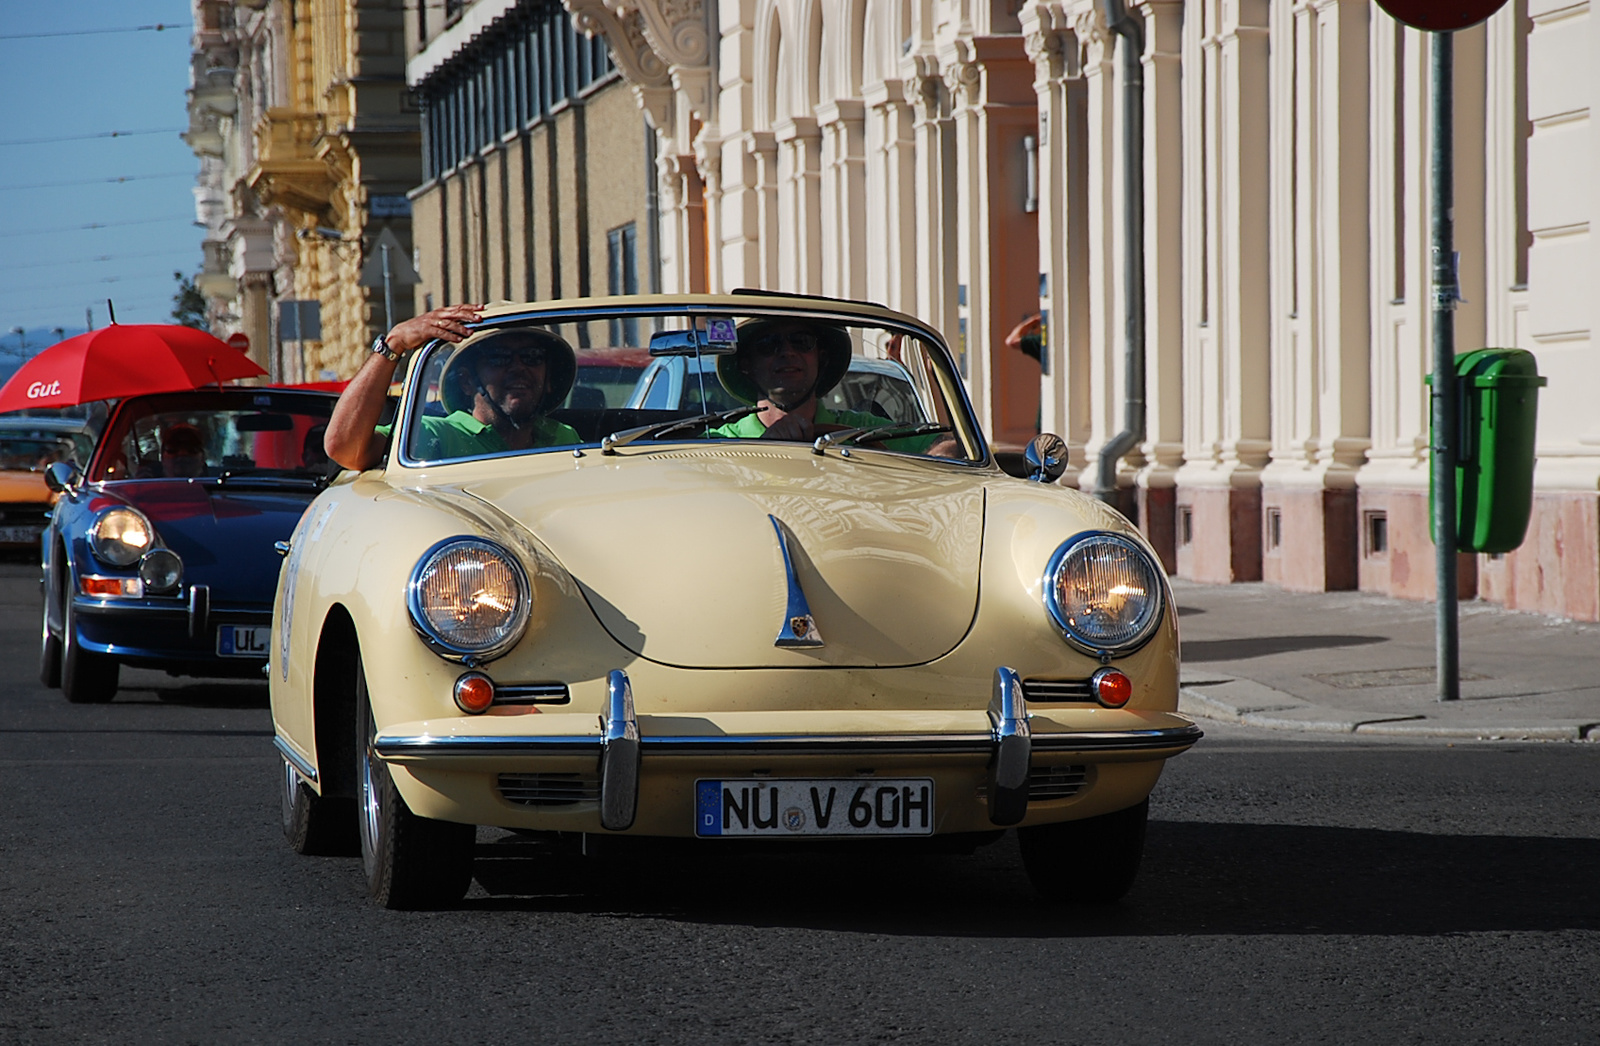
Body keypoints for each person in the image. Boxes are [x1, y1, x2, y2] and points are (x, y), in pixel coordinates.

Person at [324, 304, 580, 470]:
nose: (518, 367)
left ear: (547, 380)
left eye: (532, 357)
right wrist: (394, 343)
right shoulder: (435, 437)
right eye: (499, 357)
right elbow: (344, 448)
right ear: (467, 381)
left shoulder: (564, 438)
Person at [706, 318, 958, 456]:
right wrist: (762, 448)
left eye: (801, 342)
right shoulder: (717, 443)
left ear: (821, 358)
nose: (787, 352)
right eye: (768, 344)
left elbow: (948, 445)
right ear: (745, 365)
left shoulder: (863, 430)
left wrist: (942, 454)